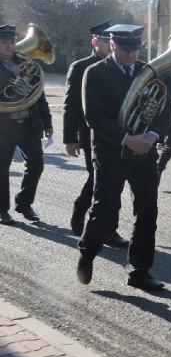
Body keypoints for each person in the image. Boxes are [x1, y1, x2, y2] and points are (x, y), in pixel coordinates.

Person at [75, 25, 171, 291]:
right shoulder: (94, 72)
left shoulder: (148, 72)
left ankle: (139, 272)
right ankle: (87, 252)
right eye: (126, 49)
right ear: (113, 45)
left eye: (135, 49)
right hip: (111, 152)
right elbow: (93, 116)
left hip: (144, 153)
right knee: (104, 210)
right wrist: (128, 139)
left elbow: (164, 109)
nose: (131, 54)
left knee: (147, 212)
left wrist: (151, 137)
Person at [62, 21, 128, 247]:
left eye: (111, 41)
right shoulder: (81, 67)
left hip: (118, 133)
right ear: (94, 42)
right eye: (103, 41)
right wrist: (70, 138)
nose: (109, 45)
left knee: (113, 183)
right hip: (91, 134)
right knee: (99, 180)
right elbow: (71, 105)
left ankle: (110, 230)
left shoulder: (122, 65)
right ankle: (82, 211)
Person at [0, 24, 53, 226]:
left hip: (28, 124)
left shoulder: (26, 64)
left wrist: (47, 123)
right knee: (1, 169)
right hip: (3, 127)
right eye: (4, 42)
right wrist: (8, 74)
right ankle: (2, 210)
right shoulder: (14, 67)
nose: (9, 46)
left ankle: (24, 203)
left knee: (37, 164)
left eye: (12, 42)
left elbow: (38, 95)